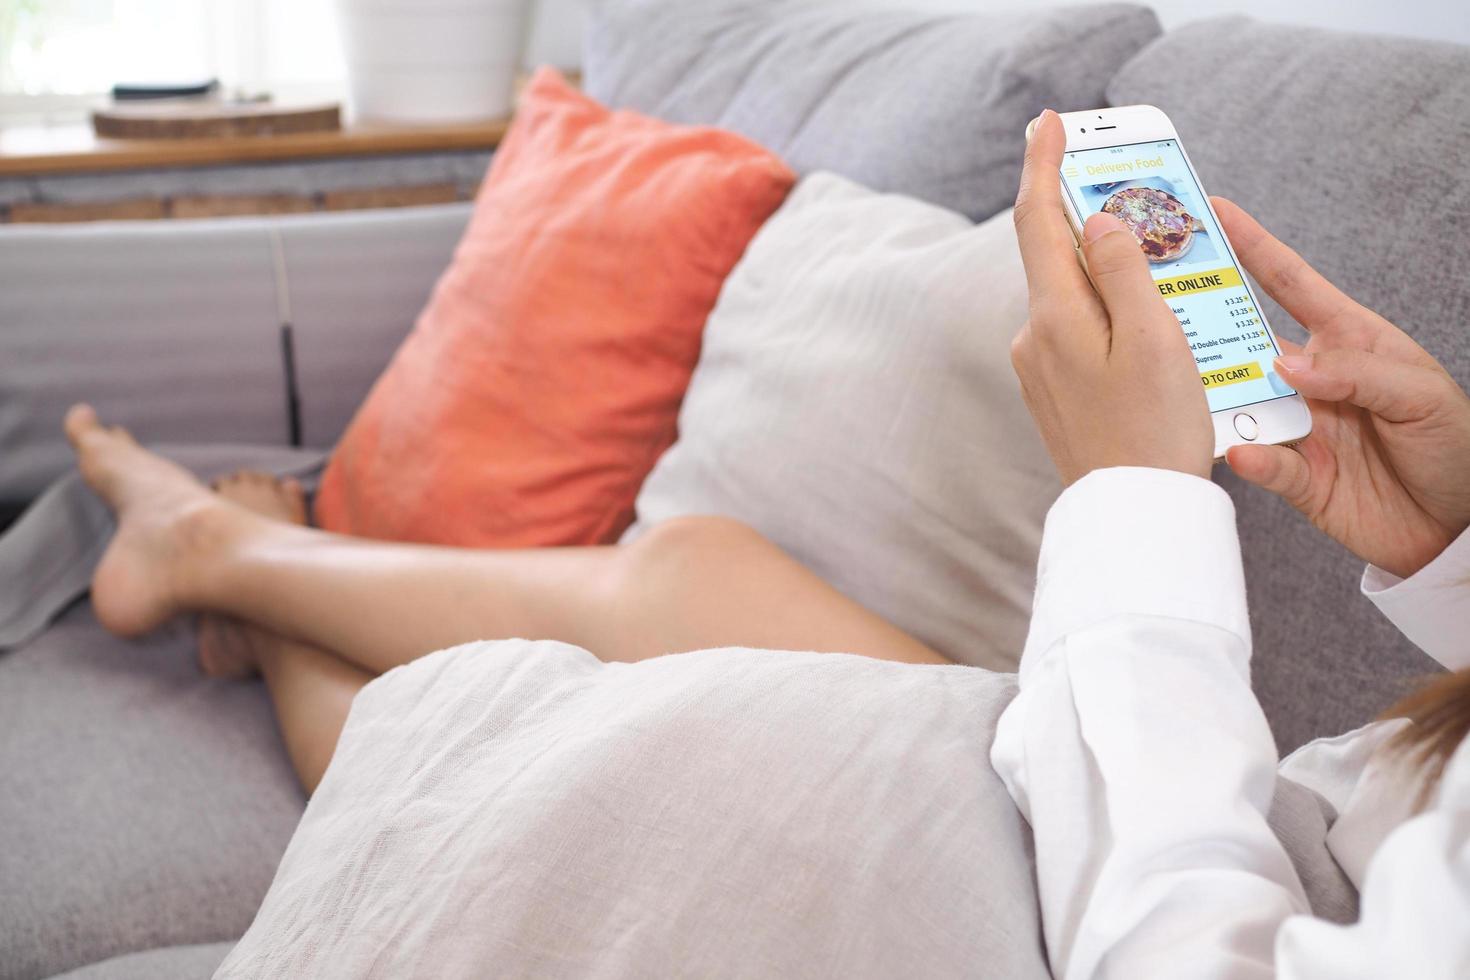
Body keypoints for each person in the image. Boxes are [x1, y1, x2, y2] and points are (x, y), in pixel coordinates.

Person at [62, 108, 1469, 975]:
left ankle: (229, 568)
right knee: (694, 579)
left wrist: (1133, 495)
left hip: (1162, 908)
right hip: (1241, 835)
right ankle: (240, 584)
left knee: (565, 774)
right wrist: (1451, 548)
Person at [995, 109, 1470, 977]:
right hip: (1269, 832)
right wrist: (1458, 552)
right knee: (695, 556)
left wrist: (1131, 496)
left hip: (1164, 881)